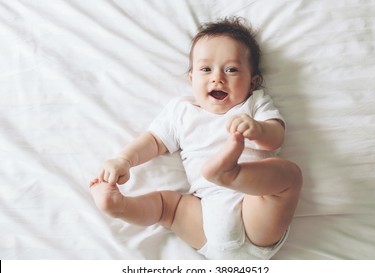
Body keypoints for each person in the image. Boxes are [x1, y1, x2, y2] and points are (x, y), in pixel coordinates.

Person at [89, 17, 302, 260]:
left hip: (252, 211)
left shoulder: (254, 104)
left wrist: (258, 130)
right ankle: (118, 206)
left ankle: (230, 174)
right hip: (206, 218)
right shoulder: (181, 111)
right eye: (206, 69)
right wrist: (123, 161)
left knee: (287, 175)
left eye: (231, 69)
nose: (217, 78)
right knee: (168, 208)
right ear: (191, 78)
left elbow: (275, 137)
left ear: (253, 81)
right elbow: (154, 141)